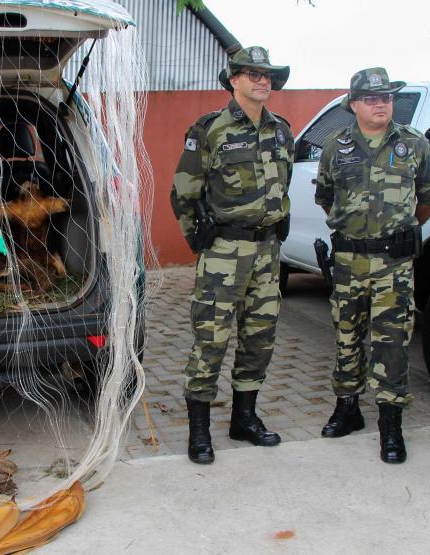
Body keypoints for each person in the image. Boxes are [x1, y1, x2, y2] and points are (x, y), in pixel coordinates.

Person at [170, 46, 294, 465]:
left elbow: (285, 186)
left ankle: (244, 419)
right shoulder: (209, 130)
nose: (264, 81)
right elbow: (184, 192)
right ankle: (199, 431)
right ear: (234, 79)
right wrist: (202, 244)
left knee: (260, 337)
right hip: (225, 251)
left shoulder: (282, 131)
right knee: (211, 339)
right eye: (254, 74)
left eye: (269, 75)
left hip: (268, 250)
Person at [314, 68, 430, 464]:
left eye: (386, 97)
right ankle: (348, 408)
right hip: (349, 259)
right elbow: (326, 197)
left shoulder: (413, 144)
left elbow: (429, 197)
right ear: (353, 104)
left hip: (393, 263)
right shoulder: (336, 145)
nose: (380, 104)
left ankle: (391, 424)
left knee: (393, 342)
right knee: (347, 335)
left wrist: (400, 231)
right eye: (371, 98)